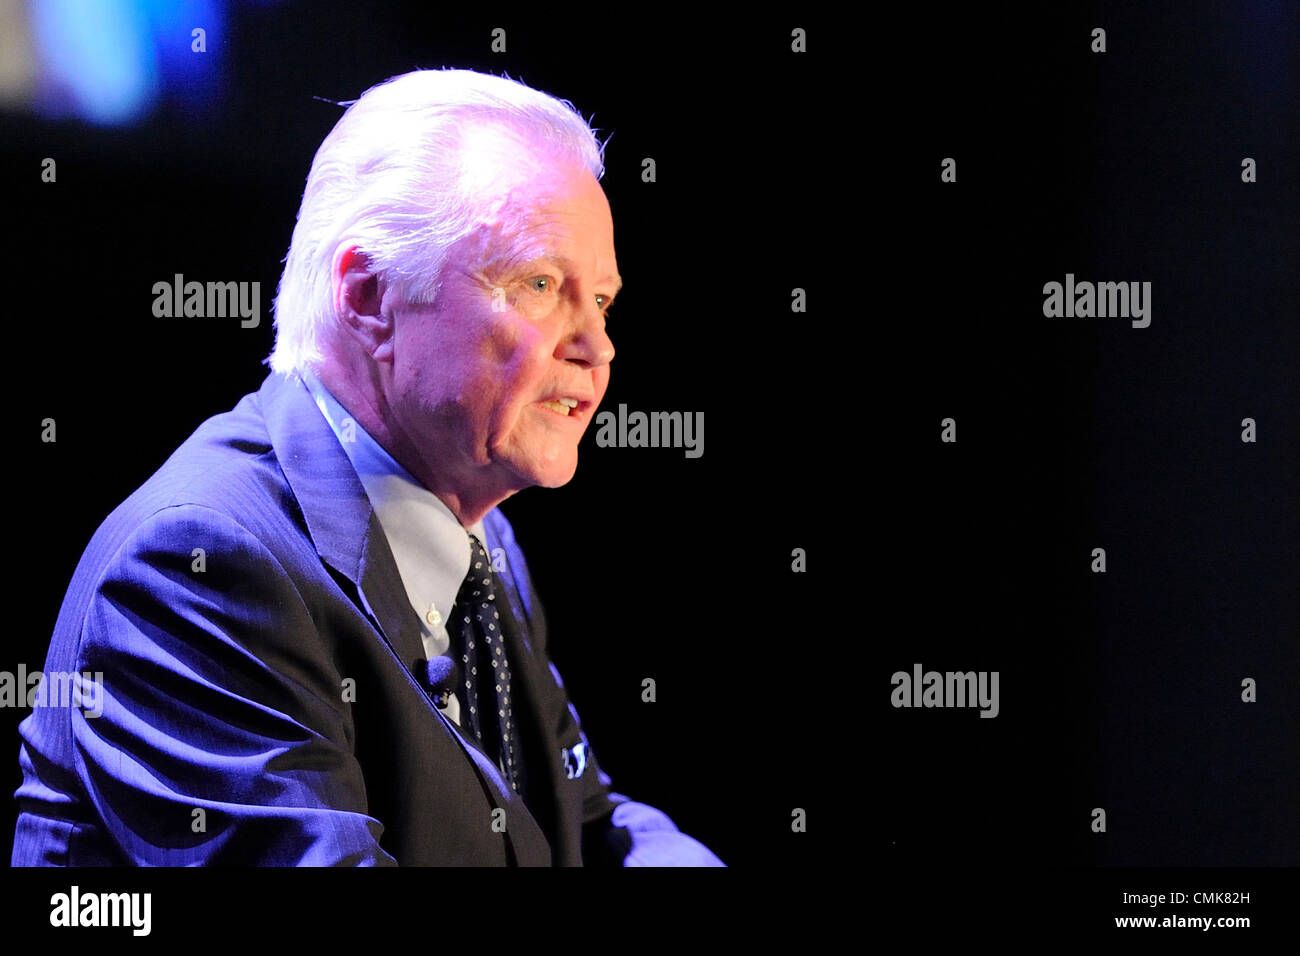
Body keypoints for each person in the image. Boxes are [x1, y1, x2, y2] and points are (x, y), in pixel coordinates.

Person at [11, 68, 723, 866]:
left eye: (602, 301)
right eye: (541, 284)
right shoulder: (198, 565)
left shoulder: (484, 544)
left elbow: (585, 826)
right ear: (368, 297)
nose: (597, 347)